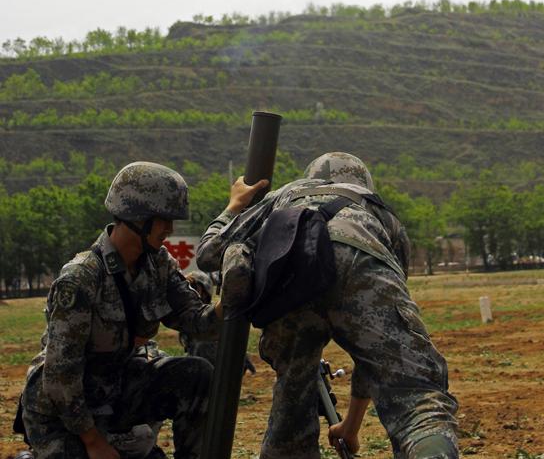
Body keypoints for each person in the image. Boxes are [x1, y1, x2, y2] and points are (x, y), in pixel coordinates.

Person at [197, 152, 459, 459]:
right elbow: (378, 354)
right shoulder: (380, 212)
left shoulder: (287, 194)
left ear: (311, 176)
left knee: (291, 413)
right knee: (416, 398)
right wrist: (352, 425)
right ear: (363, 183)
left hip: (292, 276)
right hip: (362, 259)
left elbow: (209, 253)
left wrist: (233, 206)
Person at [18, 161, 222, 459]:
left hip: (115, 390)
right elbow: (61, 379)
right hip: (65, 414)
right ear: (136, 217)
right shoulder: (81, 278)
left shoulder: (158, 263)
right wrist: (94, 442)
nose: (170, 228)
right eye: (163, 219)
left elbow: (196, 321)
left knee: (197, 374)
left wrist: (226, 304)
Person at [179, 270, 256, 374]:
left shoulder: (213, 316)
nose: (189, 291)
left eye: (193, 287)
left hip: (221, 371)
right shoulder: (187, 315)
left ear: (205, 292)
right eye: (187, 287)